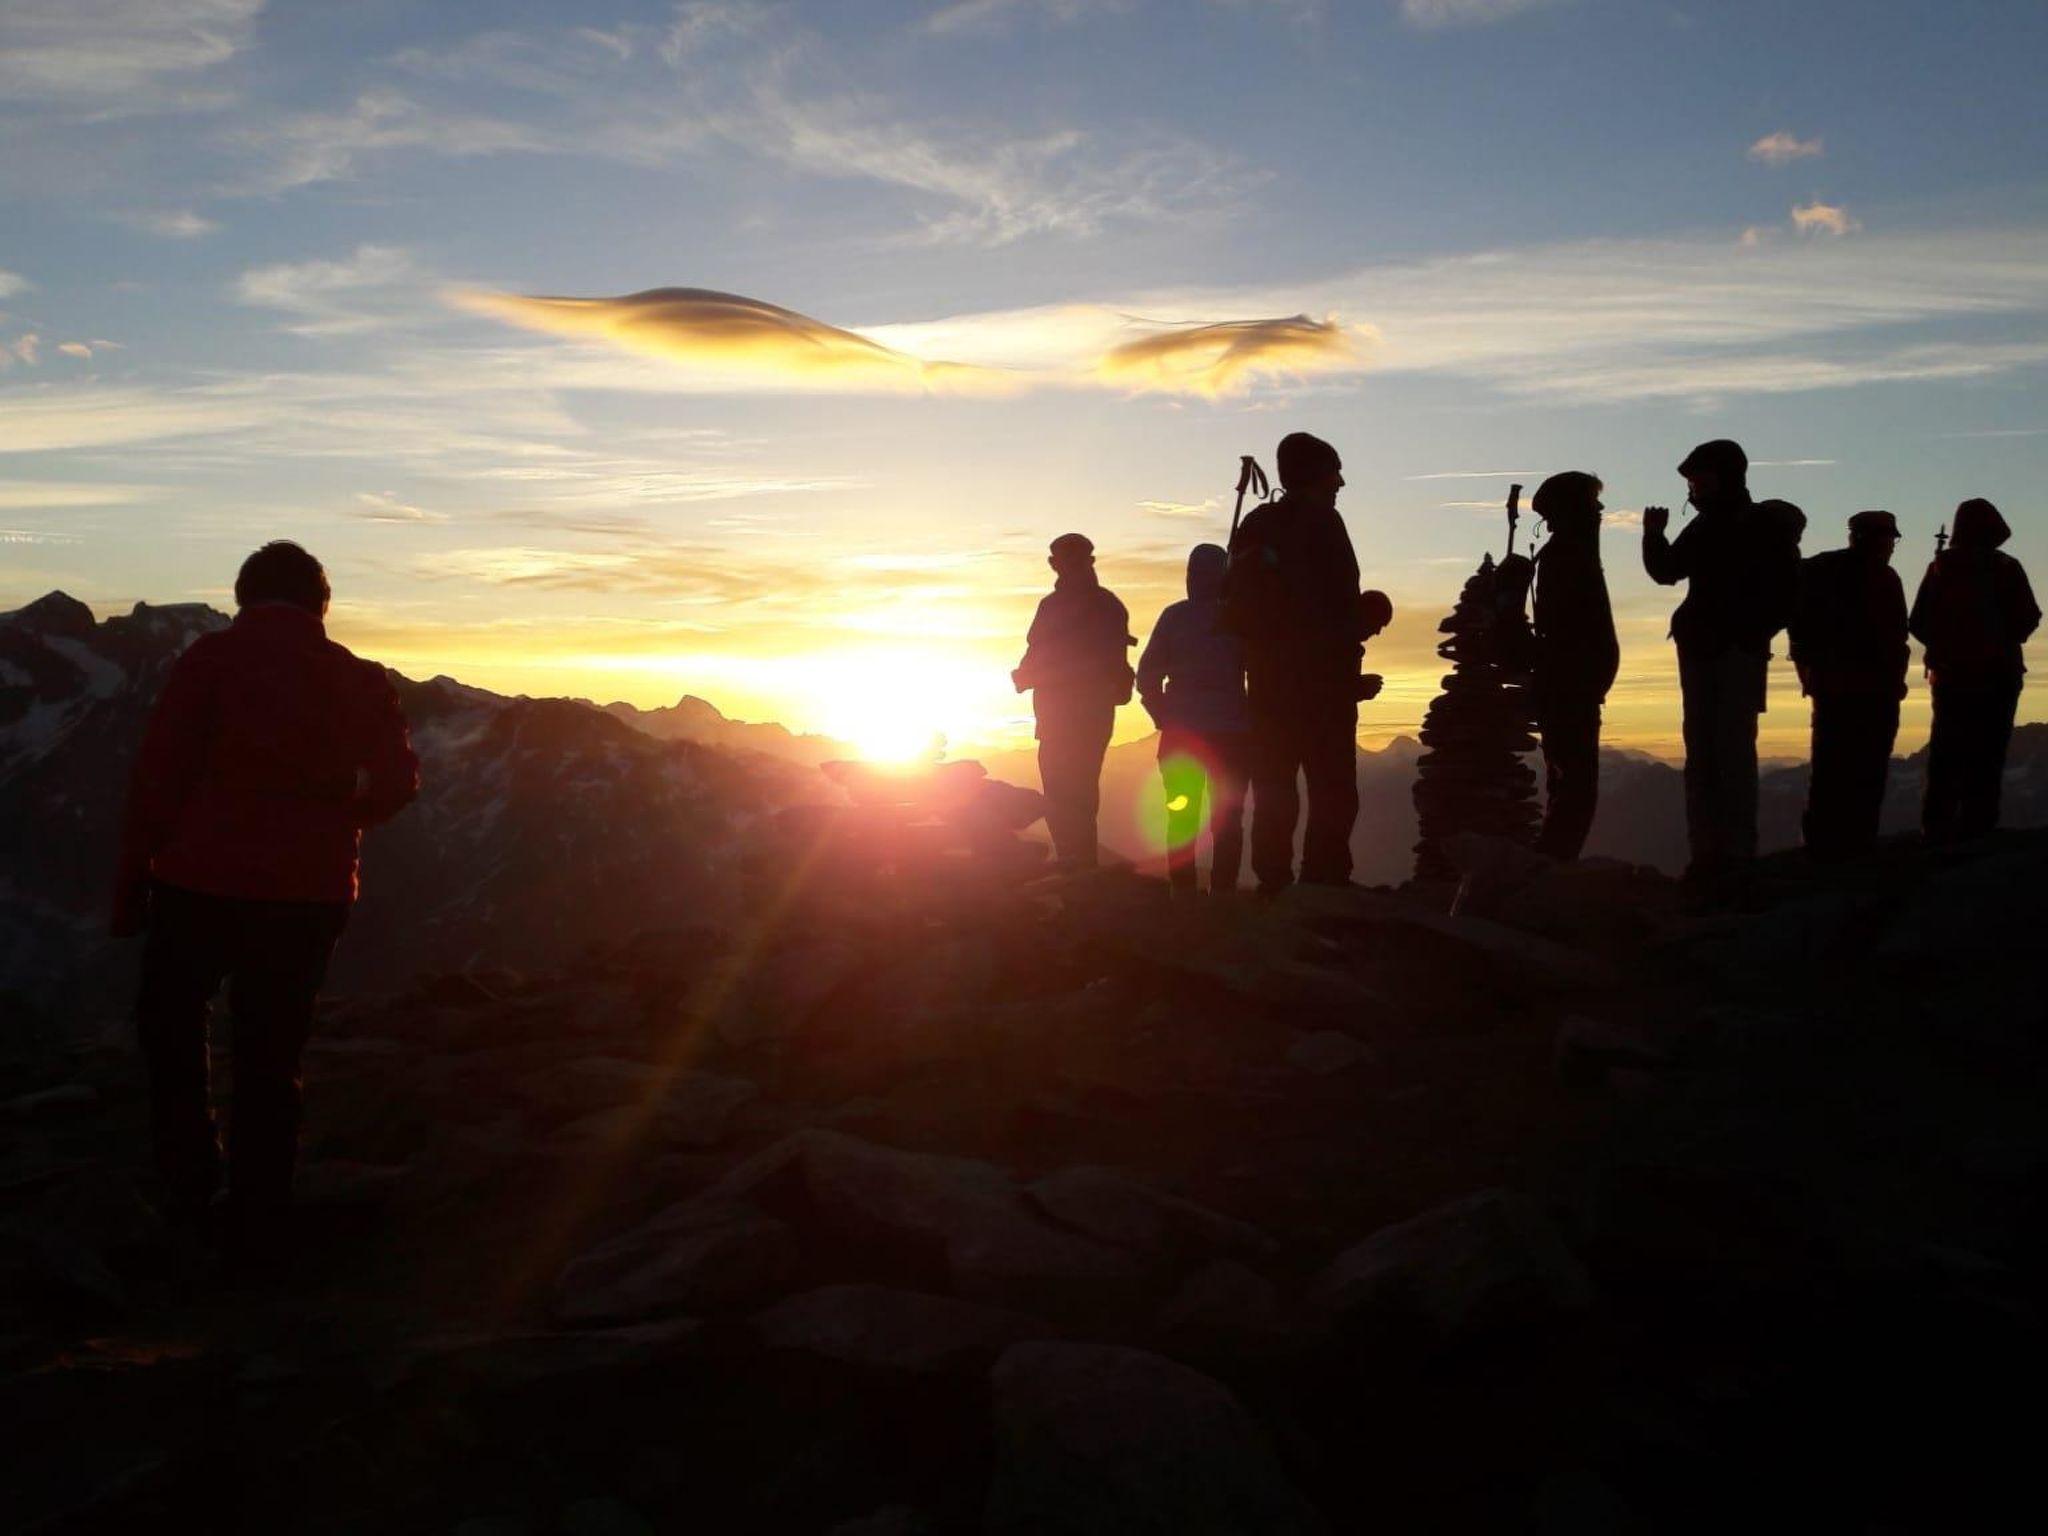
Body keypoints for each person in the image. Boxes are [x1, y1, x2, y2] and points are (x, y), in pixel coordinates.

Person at [112, 541, 419, 1261]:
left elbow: (157, 779)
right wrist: (341, 807)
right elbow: (399, 785)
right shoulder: (361, 678)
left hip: (198, 884)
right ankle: (258, 1215)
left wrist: (131, 887)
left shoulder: (208, 663)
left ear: (245, 597)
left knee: (172, 1024)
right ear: (321, 606)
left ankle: (189, 1180)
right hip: (308, 896)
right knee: (270, 1050)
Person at [1641, 440, 1802, 899]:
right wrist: (1654, 534)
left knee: (1726, 753)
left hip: (1728, 652)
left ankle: (1730, 858)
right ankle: (1712, 857)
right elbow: (1669, 571)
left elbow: (1787, 595)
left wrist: (1748, 635)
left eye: (1700, 480)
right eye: (1693, 482)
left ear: (1726, 477)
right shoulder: (1711, 525)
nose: (1694, 489)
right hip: (1708, 649)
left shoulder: (1758, 526)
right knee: (1708, 753)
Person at [1224, 431, 1373, 892]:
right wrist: (1351, 672)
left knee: (1274, 789)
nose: (1341, 483)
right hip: (1323, 687)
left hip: (1267, 684)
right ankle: (1324, 880)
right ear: (1317, 475)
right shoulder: (1325, 524)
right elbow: (1340, 608)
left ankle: (1273, 881)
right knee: (1332, 789)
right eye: (1335, 471)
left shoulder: (1257, 524)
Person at [1909, 498, 2040, 841]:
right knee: (1989, 750)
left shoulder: (1940, 567)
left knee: (1946, 749)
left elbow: (1919, 621)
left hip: (1950, 675)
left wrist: (1946, 646)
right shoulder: (2006, 567)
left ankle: (1936, 825)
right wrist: (2002, 640)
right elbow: (2028, 617)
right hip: (1999, 674)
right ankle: (1978, 825)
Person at [1789, 511, 1911, 859]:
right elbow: (1896, 634)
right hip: (1874, 690)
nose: (1891, 547)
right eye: (1890, 539)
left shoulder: (1818, 570)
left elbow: (1797, 623)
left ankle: (1819, 847)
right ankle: (1858, 845)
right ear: (1876, 539)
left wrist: (1807, 670)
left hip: (1832, 687)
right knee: (1868, 771)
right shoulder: (1885, 578)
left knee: (1829, 769)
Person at [1013, 532, 1134, 867]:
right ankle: (1080, 868)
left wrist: (1026, 676)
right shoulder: (1108, 604)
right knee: (1080, 793)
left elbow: (1036, 654)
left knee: (1062, 794)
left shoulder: (1053, 607)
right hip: (1091, 716)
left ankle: (1075, 867)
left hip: (1059, 716)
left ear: (1055, 564)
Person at [1136, 544, 1251, 893]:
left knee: (1182, 816)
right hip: (1232, 734)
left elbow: (1147, 676)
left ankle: (1184, 891)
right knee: (1228, 819)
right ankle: (1223, 893)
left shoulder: (1175, 617)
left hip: (1183, 736)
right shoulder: (1240, 618)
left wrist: (1162, 716)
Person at [1529, 472, 1620, 861]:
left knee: (1569, 785)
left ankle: (1551, 869)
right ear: (1574, 509)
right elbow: (1566, 627)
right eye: (1591, 502)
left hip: (1570, 687)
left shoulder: (1570, 553)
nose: (1599, 510)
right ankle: (1552, 873)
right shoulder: (1569, 557)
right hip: (1571, 688)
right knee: (1575, 788)